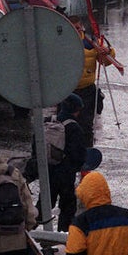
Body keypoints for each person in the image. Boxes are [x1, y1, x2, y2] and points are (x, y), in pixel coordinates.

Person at [69, 15, 124, 144]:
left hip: (86, 91)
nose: (76, 31)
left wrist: (107, 52)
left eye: (78, 28)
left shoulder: (91, 43)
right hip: (66, 92)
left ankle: (87, 152)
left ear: (81, 27)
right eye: (72, 28)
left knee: (86, 125)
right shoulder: (59, 43)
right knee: (66, 125)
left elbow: (104, 62)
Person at [40, 94, 89, 232]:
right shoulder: (74, 127)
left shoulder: (47, 122)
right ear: (75, 110)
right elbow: (79, 154)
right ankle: (63, 235)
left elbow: (36, 145)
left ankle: (33, 232)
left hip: (47, 171)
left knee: (44, 203)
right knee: (68, 206)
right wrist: (75, 167)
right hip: (66, 174)